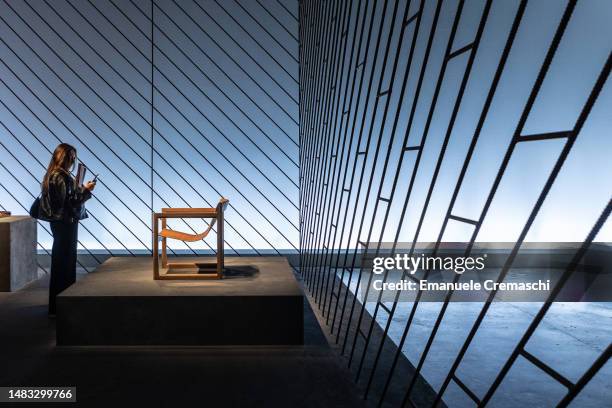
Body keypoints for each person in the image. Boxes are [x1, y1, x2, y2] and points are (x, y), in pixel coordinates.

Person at [38, 143, 96, 317]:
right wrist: (86, 190)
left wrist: (80, 189)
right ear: (62, 157)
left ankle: (58, 307)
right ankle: (61, 307)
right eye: (70, 156)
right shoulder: (60, 176)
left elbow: (66, 200)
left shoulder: (53, 174)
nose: (72, 159)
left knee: (61, 262)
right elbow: (70, 203)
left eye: (73, 156)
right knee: (65, 263)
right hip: (65, 223)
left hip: (61, 223)